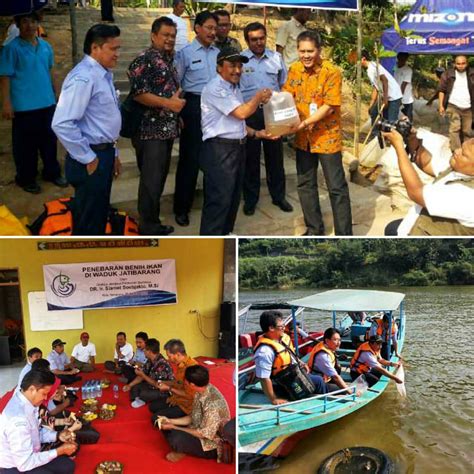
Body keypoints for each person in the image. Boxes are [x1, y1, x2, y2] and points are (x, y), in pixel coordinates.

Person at [52, 24, 122, 235]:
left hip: (104, 152)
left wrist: (114, 152)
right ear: (95, 48)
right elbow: (62, 123)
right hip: (91, 157)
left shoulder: (102, 74)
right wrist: (88, 157)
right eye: (113, 49)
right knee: (89, 221)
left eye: (119, 49)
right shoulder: (83, 77)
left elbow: (102, 121)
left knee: (98, 213)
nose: (117, 54)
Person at [283, 31, 352, 236]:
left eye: (310, 51)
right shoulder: (294, 69)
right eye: (302, 51)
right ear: (297, 50)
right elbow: (288, 95)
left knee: (336, 187)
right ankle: (314, 229)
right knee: (305, 184)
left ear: (319, 50)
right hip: (303, 139)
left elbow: (330, 106)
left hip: (326, 137)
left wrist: (304, 123)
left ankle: (344, 234)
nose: (306, 55)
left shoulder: (331, 72)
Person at [199, 47, 273, 235]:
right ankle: (210, 241)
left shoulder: (233, 88)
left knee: (232, 198)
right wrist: (257, 97)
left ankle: (225, 234)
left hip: (236, 149)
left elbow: (237, 123)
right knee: (219, 201)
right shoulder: (215, 88)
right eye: (232, 65)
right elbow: (241, 113)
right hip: (220, 151)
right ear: (219, 67)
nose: (237, 70)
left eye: (240, 66)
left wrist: (257, 134)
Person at [128, 16, 185, 235]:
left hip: (166, 129)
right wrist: (169, 103)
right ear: (153, 36)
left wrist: (174, 114)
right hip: (149, 132)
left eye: (173, 35)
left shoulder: (167, 59)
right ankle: (148, 226)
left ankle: (152, 219)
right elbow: (139, 94)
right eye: (165, 35)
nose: (170, 39)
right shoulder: (144, 59)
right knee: (151, 180)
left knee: (158, 178)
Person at [0, 11, 67, 194]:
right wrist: (6, 103)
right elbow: (5, 77)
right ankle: (26, 178)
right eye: (25, 21)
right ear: (18, 24)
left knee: (49, 141)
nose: (29, 25)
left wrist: (57, 94)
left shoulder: (46, 47)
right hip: (23, 106)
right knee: (25, 146)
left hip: (46, 102)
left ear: (38, 23)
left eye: (33, 21)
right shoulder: (11, 48)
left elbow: (50, 72)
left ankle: (51, 173)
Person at [240, 22, 293, 216]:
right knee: (251, 158)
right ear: (247, 41)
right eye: (254, 39)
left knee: (275, 157)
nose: (259, 42)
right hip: (250, 113)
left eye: (261, 38)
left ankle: (279, 197)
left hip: (273, 112)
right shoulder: (241, 60)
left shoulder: (276, 58)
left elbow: (284, 85)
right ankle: (250, 200)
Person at [173, 11, 219, 228]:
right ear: (197, 28)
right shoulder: (185, 53)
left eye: (214, 28)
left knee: (214, 159)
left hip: (216, 110)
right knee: (189, 161)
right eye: (208, 27)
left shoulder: (219, 54)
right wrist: (178, 114)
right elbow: (177, 85)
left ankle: (214, 204)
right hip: (193, 107)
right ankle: (182, 208)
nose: (212, 32)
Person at [383, 128, 474, 236]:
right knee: (391, 228)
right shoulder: (460, 171)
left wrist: (399, 148)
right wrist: (412, 140)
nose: (457, 151)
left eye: (464, 155)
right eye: (461, 147)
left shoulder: (468, 196)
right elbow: (427, 164)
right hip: (411, 225)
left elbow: (416, 193)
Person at [0, 370, 77, 473]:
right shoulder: (18, 420)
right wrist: (59, 451)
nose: (46, 397)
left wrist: (57, 435)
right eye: (44, 394)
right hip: (17, 467)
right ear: (32, 389)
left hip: (32, 453)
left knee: (67, 465)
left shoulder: (28, 403)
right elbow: (25, 463)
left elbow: (36, 433)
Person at [253, 310, 326, 405]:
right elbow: (263, 378)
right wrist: (273, 399)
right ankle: (324, 404)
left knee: (317, 379)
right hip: (283, 384)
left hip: (293, 374)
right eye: (281, 326)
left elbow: (289, 354)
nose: (284, 328)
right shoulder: (265, 351)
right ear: (271, 328)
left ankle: (318, 398)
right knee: (319, 381)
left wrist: (300, 362)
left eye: (284, 325)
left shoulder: (281, 339)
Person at [159, 365, 230, 463]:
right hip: (197, 427)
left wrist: (174, 427)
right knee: (164, 423)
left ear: (191, 384)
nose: (184, 382)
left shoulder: (212, 405)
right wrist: (170, 421)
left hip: (211, 443)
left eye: (185, 380)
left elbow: (203, 434)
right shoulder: (201, 390)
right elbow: (193, 416)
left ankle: (183, 449)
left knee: (176, 437)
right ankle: (183, 447)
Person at [150, 339, 198, 420]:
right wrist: (164, 382)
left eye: (169, 356)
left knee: (155, 419)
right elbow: (178, 383)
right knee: (152, 407)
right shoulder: (180, 364)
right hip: (177, 398)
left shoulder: (192, 369)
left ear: (178, 354)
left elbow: (189, 395)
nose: (168, 359)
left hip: (186, 405)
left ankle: (183, 422)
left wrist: (168, 388)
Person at [123, 338, 174, 408]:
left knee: (144, 393)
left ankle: (143, 398)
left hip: (163, 390)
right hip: (151, 384)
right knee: (134, 387)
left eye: (145, 349)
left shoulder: (162, 364)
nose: (143, 351)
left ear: (150, 351)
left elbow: (158, 385)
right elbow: (142, 375)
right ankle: (141, 398)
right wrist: (129, 385)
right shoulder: (150, 360)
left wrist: (143, 375)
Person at [438, 55, 474, 151]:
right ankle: (456, 152)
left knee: (467, 131)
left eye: (463, 63)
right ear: (454, 64)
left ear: (467, 63)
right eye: (458, 64)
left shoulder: (472, 73)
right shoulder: (448, 74)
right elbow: (441, 90)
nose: (461, 66)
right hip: (453, 105)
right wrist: (441, 105)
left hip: (469, 107)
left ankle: (467, 152)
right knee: (455, 128)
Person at [360, 49, 403, 125]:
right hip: (385, 96)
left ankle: (390, 135)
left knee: (390, 122)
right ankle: (376, 135)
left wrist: (385, 99)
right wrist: (372, 104)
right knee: (374, 112)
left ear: (363, 59)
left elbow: (385, 81)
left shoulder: (373, 67)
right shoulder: (369, 70)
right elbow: (376, 87)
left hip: (393, 96)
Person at [308, 328, 351, 393]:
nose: (338, 343)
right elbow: (335, 377)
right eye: (335, 340)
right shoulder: (323, 356)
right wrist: (351, 391)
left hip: (327, 378)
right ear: (327, 341)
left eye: (339, 340)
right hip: (320, 383)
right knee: (343, 390)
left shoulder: (325, 346)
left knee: (338, 368)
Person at [394, 52, 414, 122]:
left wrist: (400, 99)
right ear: (398, 58)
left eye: (404, 59)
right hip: (395, 98)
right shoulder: (394, 67)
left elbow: (404, 85)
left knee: (407, 121)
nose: (401, 60)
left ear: (406, 59)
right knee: (397, 120)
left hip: (406, 100)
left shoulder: (408, 70)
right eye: (400, 58)